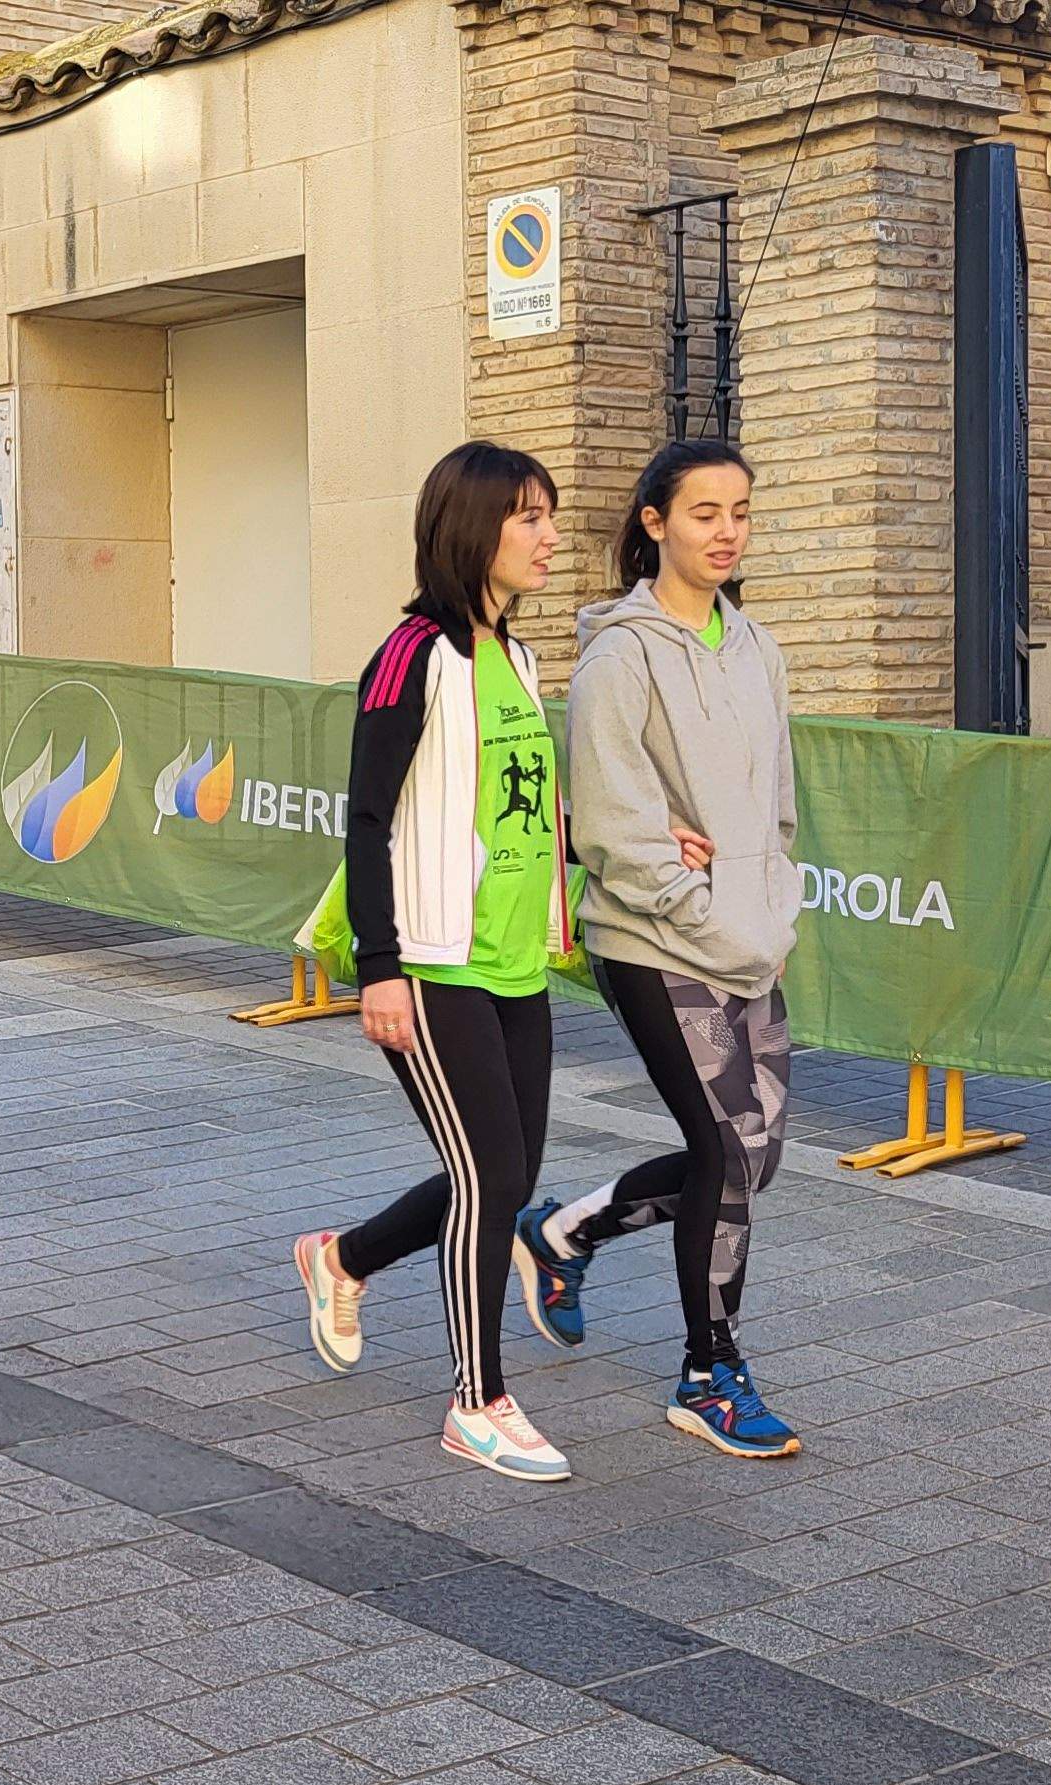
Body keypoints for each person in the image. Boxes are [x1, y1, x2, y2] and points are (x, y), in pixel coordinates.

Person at [281, 443, 578, 1482]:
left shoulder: (521, 660)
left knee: (503, 1175)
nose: (548, 535)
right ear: (472, 528)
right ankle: (476, 1400)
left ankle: (343, 1258)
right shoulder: (413, 653)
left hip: (512, 966)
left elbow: (523, 808)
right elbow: (366, 819)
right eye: (527, 517)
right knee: (487, 1177)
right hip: (432, 962)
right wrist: (381, 967)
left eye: (550, 515)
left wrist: (590, 859)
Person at [510, 437, 806, 1463]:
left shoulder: (754, 645)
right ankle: (707, 1371)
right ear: (653, 524)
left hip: (747, 938)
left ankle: (569, 1231)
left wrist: (771, 897)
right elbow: (609, 824)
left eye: (738, 513)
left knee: (753, 1156)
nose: (725, 532)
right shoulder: (620, 656)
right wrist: (695, 901)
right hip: (653, 942)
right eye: (702, 513)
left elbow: (776, 804)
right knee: (724, 1149)